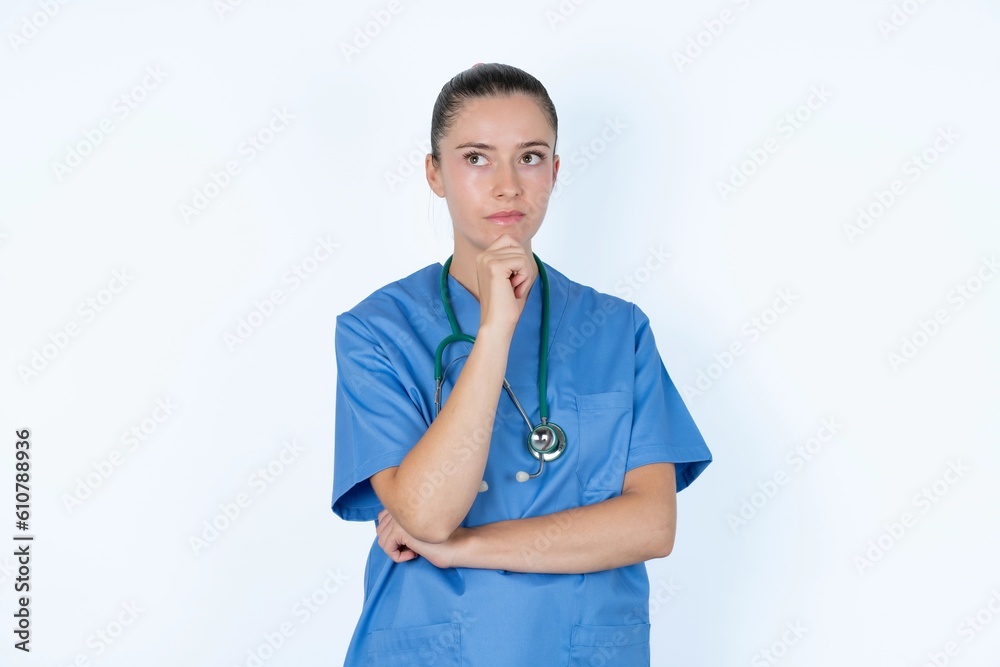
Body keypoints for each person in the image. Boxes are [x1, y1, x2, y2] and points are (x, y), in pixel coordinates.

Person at [331, 62, 712, 666]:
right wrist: (495, 330)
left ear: (555, 171)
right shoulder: (377, 332)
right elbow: (427, 513)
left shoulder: (619, 330)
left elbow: (651, 527)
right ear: (435, 173)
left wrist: (463, 548)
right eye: (476, 158)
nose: (508, 184)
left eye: (530, 157)